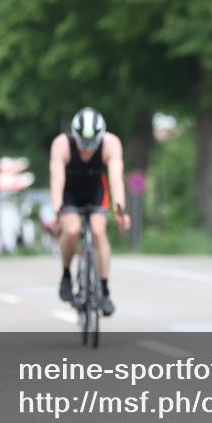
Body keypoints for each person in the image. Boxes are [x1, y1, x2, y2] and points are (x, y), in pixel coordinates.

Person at [47, 107, 131, 316]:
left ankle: (104, 289)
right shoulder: (61, 145)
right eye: (83, 143)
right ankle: (66, 275)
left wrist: (120, 211)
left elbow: (116, 180)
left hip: (95, 190)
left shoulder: (111, 144)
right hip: (70, 192)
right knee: (73, 229)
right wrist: (57, 211)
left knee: (98, 230)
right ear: (75, 137)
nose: (87, 149)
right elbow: (57, 181)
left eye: (92, 143)